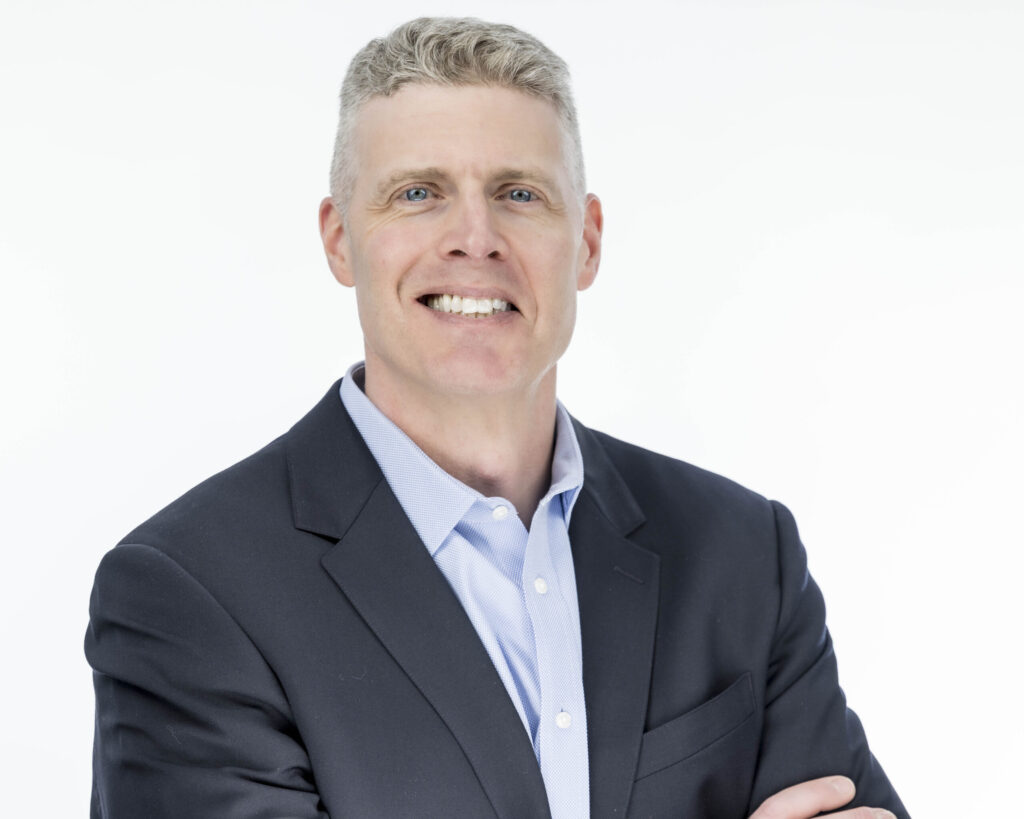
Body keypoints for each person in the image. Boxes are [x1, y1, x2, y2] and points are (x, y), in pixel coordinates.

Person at [85, 17, 908, 818]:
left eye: (519, 193)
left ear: (585, 242)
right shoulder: (190, 594)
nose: (474, 237)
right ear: (340, 240)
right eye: (418, 193)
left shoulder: (741, 553)